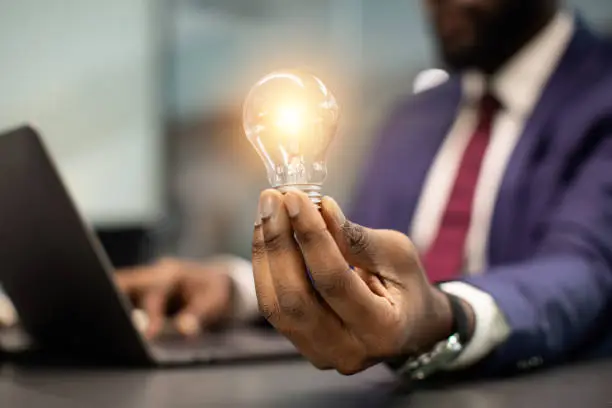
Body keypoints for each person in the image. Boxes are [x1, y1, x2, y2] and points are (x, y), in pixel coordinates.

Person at [118, 0, 612, 378]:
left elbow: (582, 269)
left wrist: (449, 315)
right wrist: (235, 289)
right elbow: (353, 258)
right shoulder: (415, 117)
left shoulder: (599, 96)